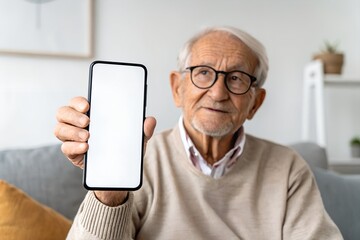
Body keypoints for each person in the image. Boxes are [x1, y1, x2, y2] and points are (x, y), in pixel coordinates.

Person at [54, 26, 343, 239]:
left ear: (256, 102)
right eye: (203, 72)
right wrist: (109, 192)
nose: (218, 93)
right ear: (177, 89)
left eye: (236, 78)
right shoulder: (137, 159)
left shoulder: (288, 168)